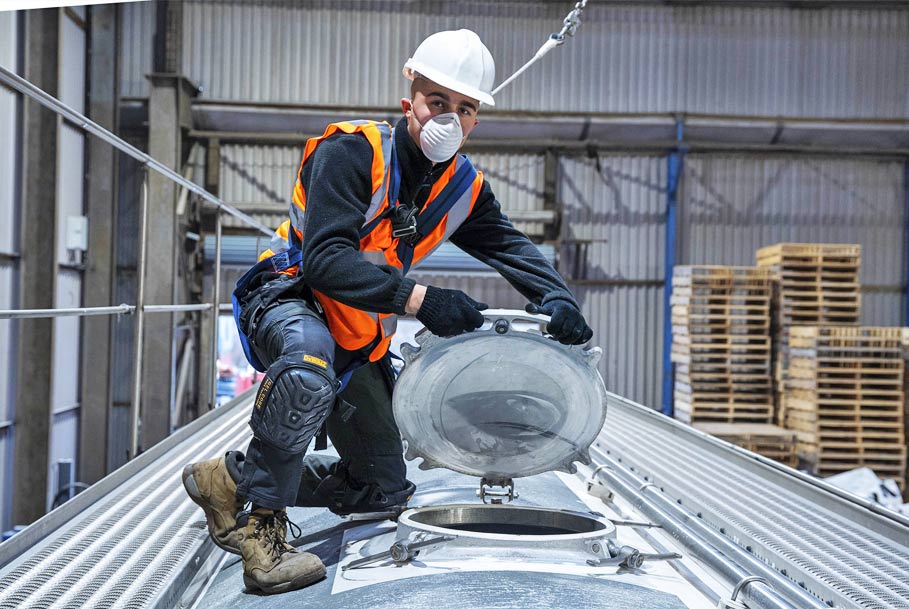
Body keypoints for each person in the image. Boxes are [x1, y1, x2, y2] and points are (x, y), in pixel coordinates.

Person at [181, 29, 593, 595]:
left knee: (383, 491)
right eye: (438, 102)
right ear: (410, 102)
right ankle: (261, 533)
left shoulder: (461, 188)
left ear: (476, 122)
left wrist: (558, 298)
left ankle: (230, 479)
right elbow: (326, 260)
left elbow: (511, 247)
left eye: (465, 108)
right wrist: (423, 301)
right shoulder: (352, 151)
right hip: (291, 296)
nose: (450, 117)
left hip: (358, 325)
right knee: (306, 371)